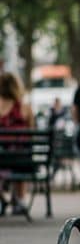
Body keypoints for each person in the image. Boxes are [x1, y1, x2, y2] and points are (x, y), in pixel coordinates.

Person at [0, 72, 35, 216]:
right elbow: (32, 134)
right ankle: (19, 200)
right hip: (22, 161)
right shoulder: (25, 108)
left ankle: (3, 199)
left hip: (2, 159)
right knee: (20, 153)